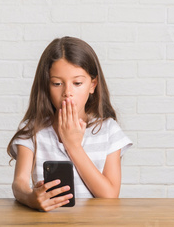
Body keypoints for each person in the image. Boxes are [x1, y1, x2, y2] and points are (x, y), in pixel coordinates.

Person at [7, 36, 132, 212]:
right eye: (57, 83)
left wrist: (72, 145)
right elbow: (18, 184)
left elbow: (110, 195)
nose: (67, 92)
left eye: (77, 83)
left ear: (92, 85)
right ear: (46, 86)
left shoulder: (109, 130)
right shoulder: (32, 130)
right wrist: (30, 198)